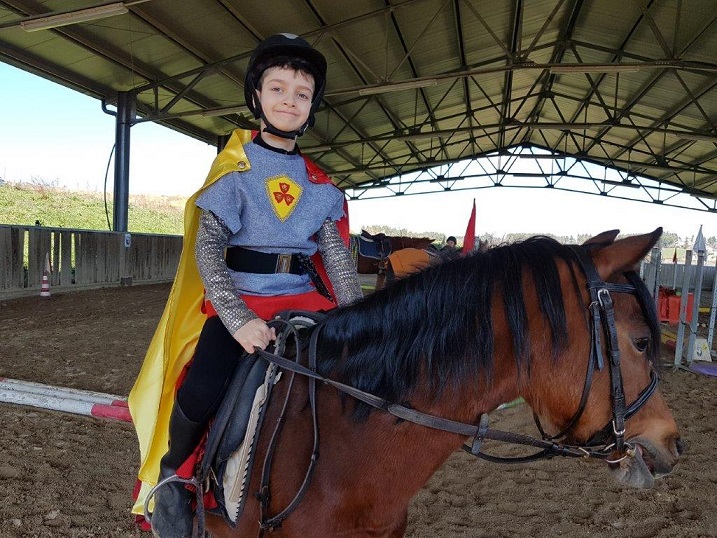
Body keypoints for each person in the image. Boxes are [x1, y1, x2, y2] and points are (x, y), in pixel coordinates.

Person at [128, 33, 363, 537]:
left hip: (304, 298)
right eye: (278, 88)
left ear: (312, 107)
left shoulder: (322, 188)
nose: (289, 101)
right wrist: (236, 320)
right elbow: (208, 252)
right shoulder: (234, 174)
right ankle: (174, 478)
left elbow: (337, 259)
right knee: (203, 386)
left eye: (302, 93)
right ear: (257, 96)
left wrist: (359, 316)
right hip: (242, 299)